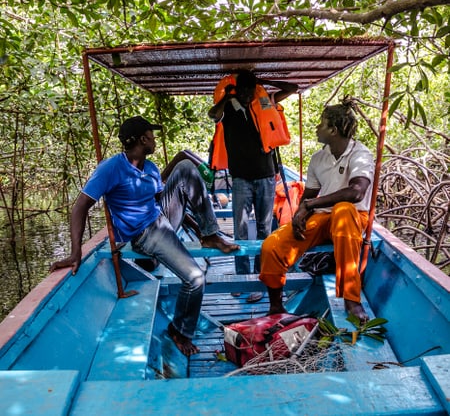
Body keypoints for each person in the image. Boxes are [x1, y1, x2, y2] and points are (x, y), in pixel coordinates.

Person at [50, 116, 239, 356]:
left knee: (185, 167)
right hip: (145, 232)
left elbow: (164, 199)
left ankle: (210, 234)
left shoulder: (149, 167)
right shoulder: (111, 168)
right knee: (195, 279)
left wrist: (200, 229)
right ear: (142, 139)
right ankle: (179, 330)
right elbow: (80, 207)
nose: (154, 140)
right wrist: (75, 252)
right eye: (151, 136)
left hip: (160, 218)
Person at [259, 102, 374, 323]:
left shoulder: (360, 154)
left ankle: (352, 299)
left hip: (351, 218)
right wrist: (302, 211)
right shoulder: (318, 158)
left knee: (343, 210)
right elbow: (309, 194)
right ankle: (275, 306)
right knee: (272, 246)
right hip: (322, 217)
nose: (316, 127)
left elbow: (357, 192)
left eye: (321, 124)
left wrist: (311, 204)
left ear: (333, 130)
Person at [208, 70, 297, 303]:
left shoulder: (265, 101)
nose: (248, 95)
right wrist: (228, 97)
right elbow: (212, 114)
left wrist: (264, 83)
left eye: (251, 90)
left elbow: (292, 88)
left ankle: (261, 277)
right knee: (240, 230)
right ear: (238, 89)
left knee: (264, 230)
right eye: (245, 90)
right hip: (240, 178)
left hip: (266, 176)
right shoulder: (228, 107)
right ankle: (241, 278)